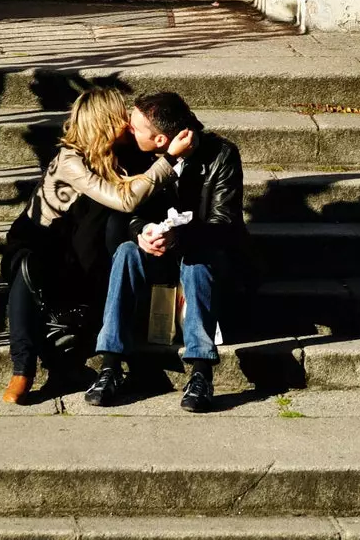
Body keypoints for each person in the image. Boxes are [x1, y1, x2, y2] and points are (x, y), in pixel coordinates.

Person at [1, 87, 189, 405]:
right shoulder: (69, 161)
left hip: (82, 253)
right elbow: (124, 197)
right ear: (103, 123)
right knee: (26, 263)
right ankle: (22, 368)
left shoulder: (124, 153)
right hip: (42, 249)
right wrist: (168, 159)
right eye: (120, 116)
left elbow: (145, 197)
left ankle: (78, 360)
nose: (128, 122)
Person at [84, 90, 244, 412]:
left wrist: (178, 238)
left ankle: (201, 372)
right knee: (128, 253)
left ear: (159, 139)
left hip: (205, 262)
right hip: (156, 257)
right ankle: (111, 365)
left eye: (136, 127)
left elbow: (223, 225)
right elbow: (129, 211)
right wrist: (140, 231)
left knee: (197, 259)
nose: (128, 129)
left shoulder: (221, 155)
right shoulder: (139, 153)